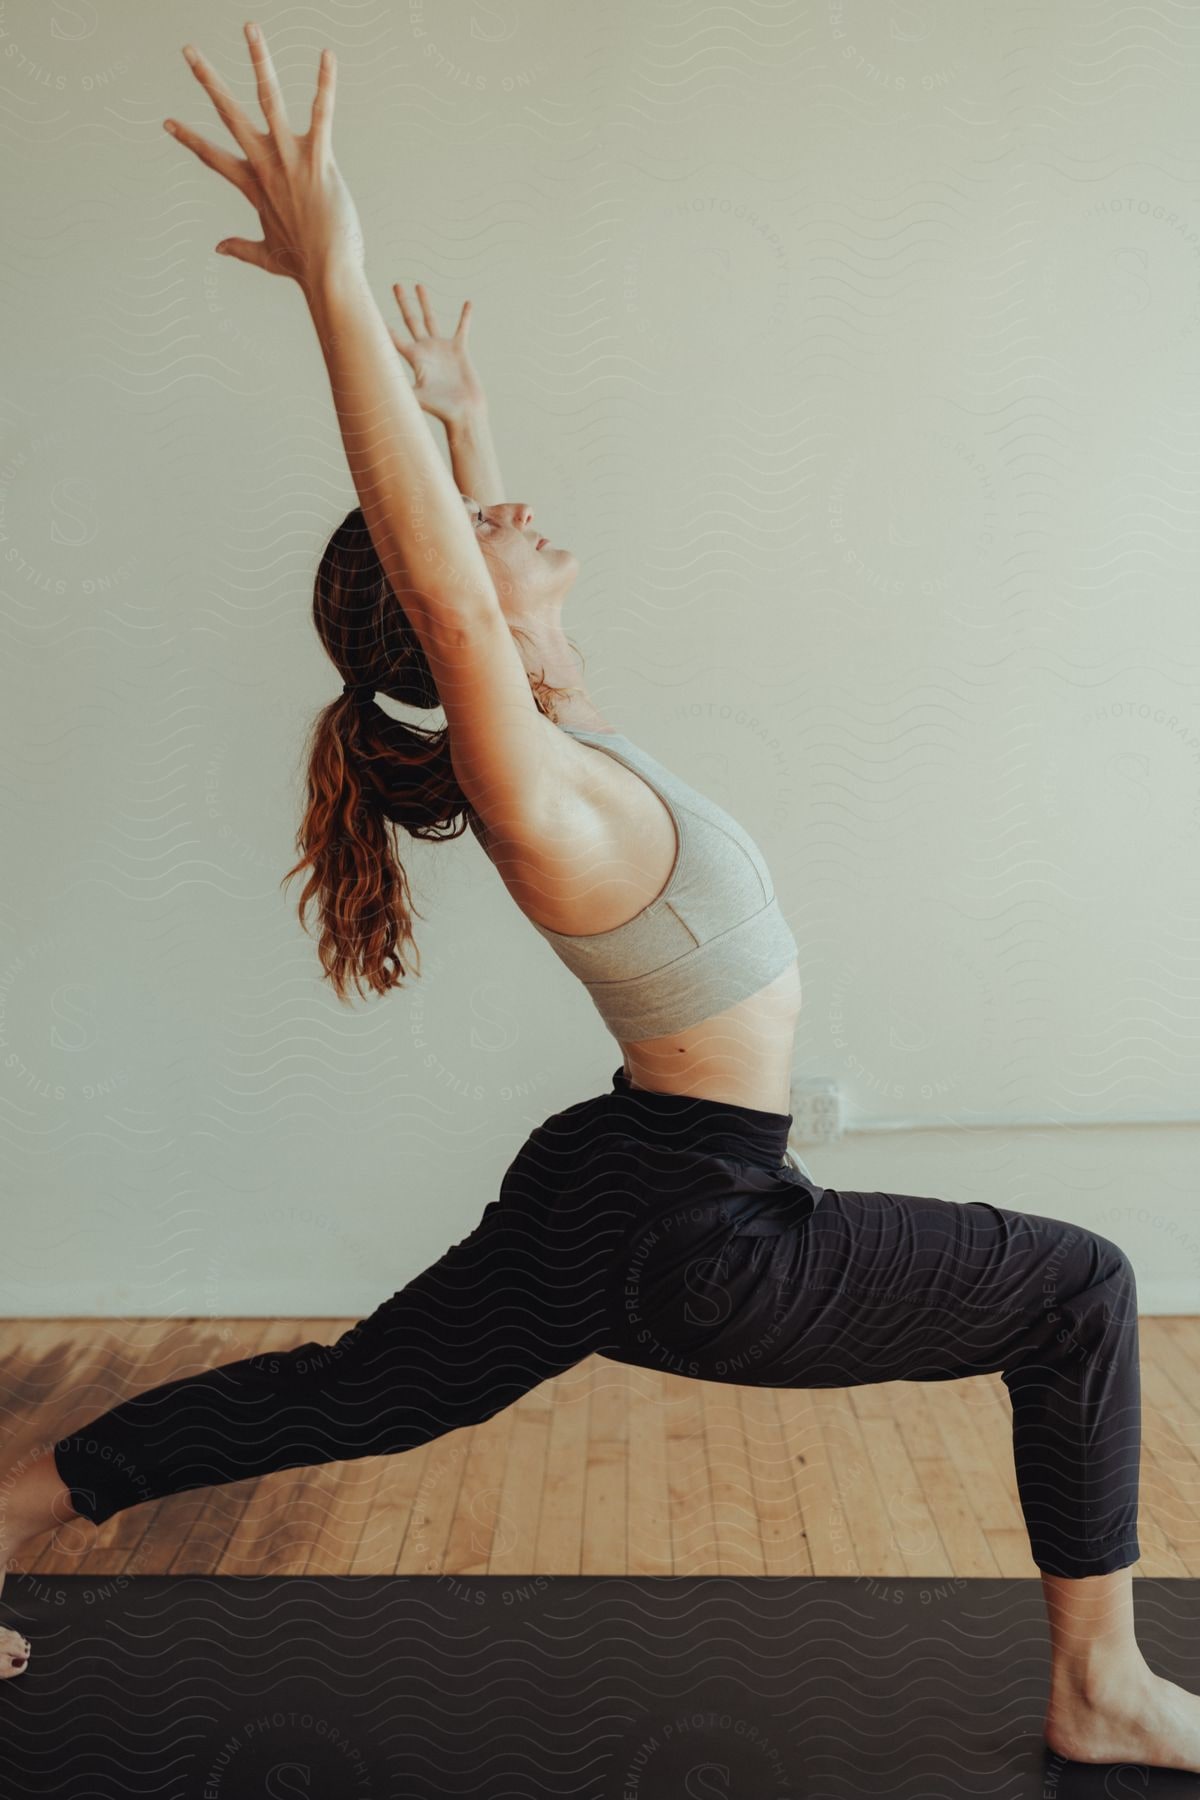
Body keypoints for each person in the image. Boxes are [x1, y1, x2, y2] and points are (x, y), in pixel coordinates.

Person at [0, 24, 1194, 1774]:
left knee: (354, 1393)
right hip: (700, 1229)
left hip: (617, 1179)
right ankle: (1100, 1689)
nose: (510, 514)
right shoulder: (531, 778)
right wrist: (329, 276)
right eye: (478, 531)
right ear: (452, 628)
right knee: (1081, 1284)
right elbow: (441, 577)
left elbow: (478, 583)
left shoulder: (566, 734)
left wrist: (471, 420)